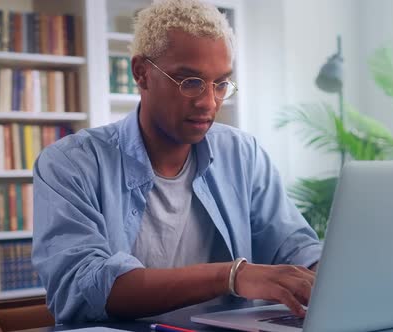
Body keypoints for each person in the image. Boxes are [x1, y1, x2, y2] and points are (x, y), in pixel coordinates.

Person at [32, 0, 322, 323]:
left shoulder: (243, 154)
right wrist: (231, 276)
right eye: (190, 82)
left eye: (220, 84)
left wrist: (327, 276)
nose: (209, 102)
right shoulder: (70, 164)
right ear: (141, 74)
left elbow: (295, 249)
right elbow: (86, 286)